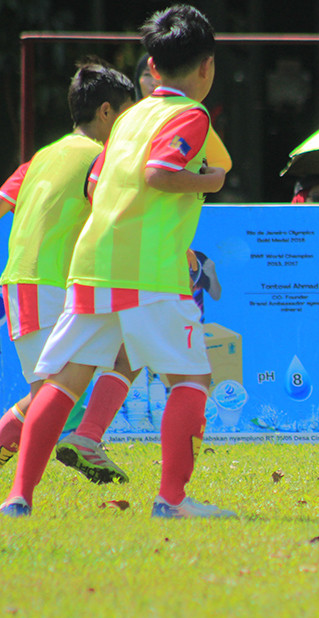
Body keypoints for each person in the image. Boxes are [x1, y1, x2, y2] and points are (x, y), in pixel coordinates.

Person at [1, 4, 234, 518]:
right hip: (148, 270)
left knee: (63, 382)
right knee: (190, 378)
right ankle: (172, 500)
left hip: (90, 266)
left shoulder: (128, 118)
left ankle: (18, 498)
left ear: (151, 68)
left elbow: (95, 181)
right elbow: (159, 172)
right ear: (207, 67)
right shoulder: (191, 116)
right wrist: (208, 182)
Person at [0, 59, 141, 483]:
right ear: (106, 112)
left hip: (37, 285)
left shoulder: (44, 155)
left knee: (131, 346)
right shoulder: (101, 158)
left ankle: (86, 439)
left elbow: (3, 201)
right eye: (128, 115)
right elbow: (117, 215)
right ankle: (78, 445)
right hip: (44, 285)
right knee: (49, 397)